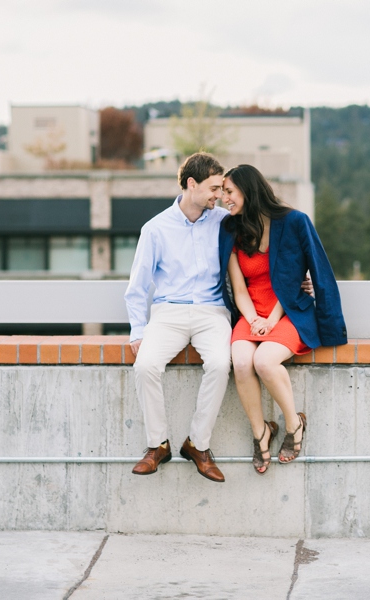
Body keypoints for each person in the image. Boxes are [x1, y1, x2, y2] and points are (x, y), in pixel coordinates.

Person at [218, 164, 347, 474]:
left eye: (229, 192)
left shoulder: (294, 222)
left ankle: (294, 424)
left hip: (288, 311)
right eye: (221, 192)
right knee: (241, 360)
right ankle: (261, 432)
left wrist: (272, 320)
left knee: (264, 361)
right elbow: (238, 287)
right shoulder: (232, 229)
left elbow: (307, 275)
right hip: (251, 313)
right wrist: (252, 320)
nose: (224, 199)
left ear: (247, 191)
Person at [124, 152, 232, 482]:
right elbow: (138, 286)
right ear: (191, 184)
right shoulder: (155, 229)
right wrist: (137, 331)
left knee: (219, 364)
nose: (219, 195)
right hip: (168, 313)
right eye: (214, 188)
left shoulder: (225, 222)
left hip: (212, 312)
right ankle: (158, 445)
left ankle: (198, 445)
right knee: (144, 366)